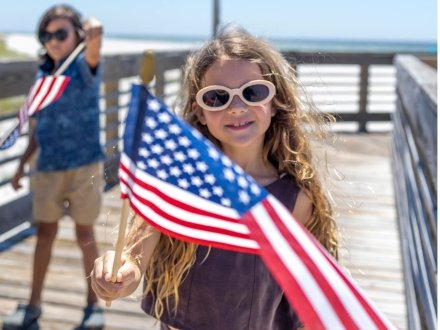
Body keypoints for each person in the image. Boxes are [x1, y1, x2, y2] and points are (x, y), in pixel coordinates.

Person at [90, 26, 339, 330]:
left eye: (253, 92)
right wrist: (121, 272)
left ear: (274, 102)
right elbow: (134, 255)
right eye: (217, 97)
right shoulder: (176, 182)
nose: (236, 107)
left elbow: (308, 291)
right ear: (200, 111)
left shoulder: (294, 200)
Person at [3, 4, 105, 330]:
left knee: (85, 232)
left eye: (62, 33)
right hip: (47, 166)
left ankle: (94, 304)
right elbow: (38, 127)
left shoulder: (85, 67)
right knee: (44, 233)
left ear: (77, 35)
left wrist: (91, 28)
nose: (54, 41)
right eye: (47, 35)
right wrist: (21, 165)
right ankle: (33, 305)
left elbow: (96, 34)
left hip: (84, 166)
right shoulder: (42, 75)